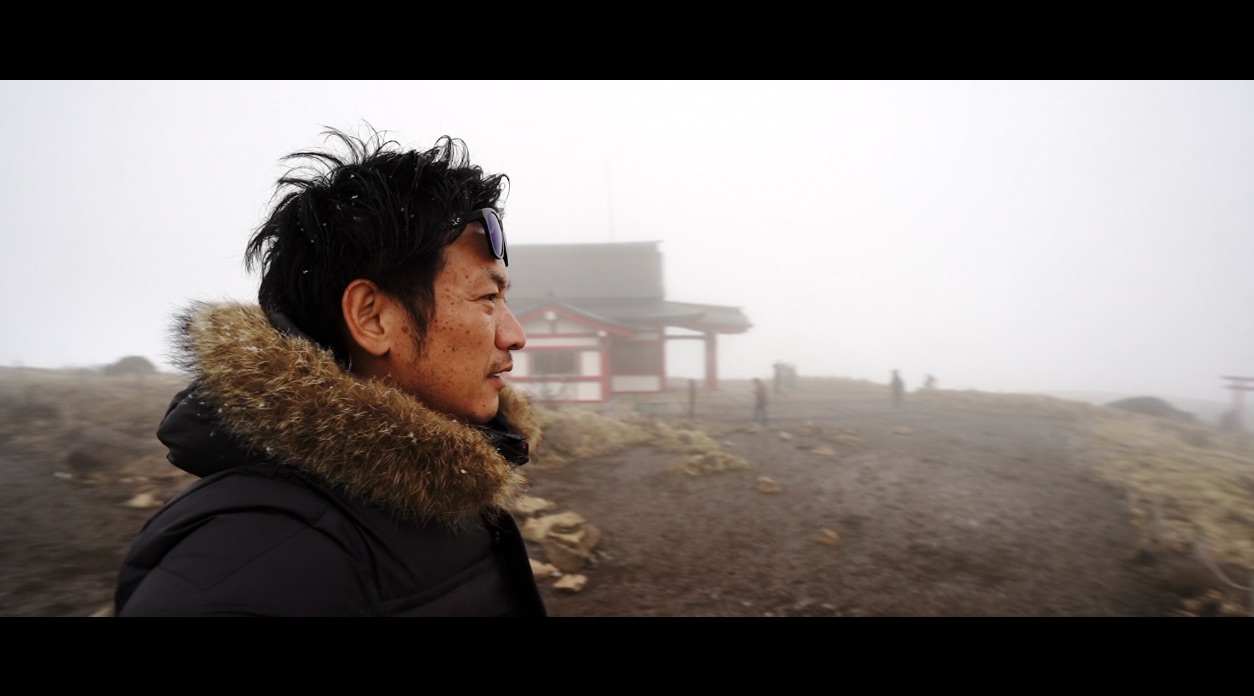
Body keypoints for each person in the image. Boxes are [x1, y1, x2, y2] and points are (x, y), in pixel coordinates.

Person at [113, 127, 547, 616]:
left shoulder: (443, 487)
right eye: (488, 298)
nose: (515, 334)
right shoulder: (251, 562)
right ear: (371, 318)